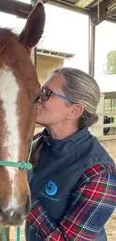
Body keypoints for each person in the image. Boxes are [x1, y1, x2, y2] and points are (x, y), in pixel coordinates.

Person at [25, 67, 116, 240]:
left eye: (47, 93)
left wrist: (23, 198)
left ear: (74, 111)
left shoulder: (99, 172)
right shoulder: (38, 144)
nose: (37, 98)